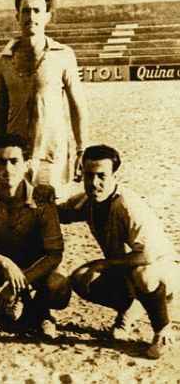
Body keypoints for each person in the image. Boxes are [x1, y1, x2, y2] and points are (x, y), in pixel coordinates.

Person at [58, 145, 179, 359]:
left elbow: (147, 255)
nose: (94, 182)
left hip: (163, 269)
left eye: (101, 176)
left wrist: (106, 264)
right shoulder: (88, 201)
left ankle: (163, 331)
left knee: (143, 275)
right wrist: (42, 195)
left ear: (115, 175)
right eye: (89, 175)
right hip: (128, 267)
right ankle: (132, 306)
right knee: (81, 278)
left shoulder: (127, 205)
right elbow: (61, 213)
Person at [0, 134, 71, 338]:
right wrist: (5, 263)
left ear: (27, 165)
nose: (7, 169)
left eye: (14, 161)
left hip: (36, 266)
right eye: (1, 162)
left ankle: (39, 313)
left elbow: (55, 253)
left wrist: (19, 283)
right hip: (1, 261)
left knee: (58, 287)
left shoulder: (40, 196)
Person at [0, 0, 89, 197]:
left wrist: (82, 149)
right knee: (16, 208)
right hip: (14, 153)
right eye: (25, 10)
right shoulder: (4, 59)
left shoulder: (64, 55)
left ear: (48, 16)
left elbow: (77, 105)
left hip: (51, 151)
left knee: (48, 208)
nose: (31, 16)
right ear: (17, 16)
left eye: (37, 10)